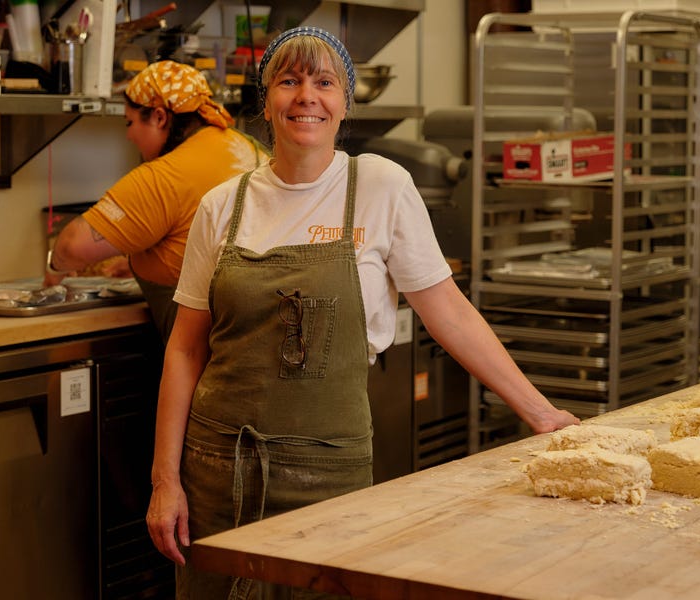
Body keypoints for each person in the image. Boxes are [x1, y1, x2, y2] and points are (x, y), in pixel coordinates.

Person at [143, 26, 580, 597]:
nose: (306, 96)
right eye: (289, 81)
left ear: (345, 103)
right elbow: (185, 347)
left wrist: (540, 411)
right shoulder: (222, 205)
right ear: (266, 101)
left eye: (324, 82)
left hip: (329, 469)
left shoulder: (379, 185)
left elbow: (447, 309)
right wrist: (164, 481)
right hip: (216, 467)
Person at [45, 60, 267, 341]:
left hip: (210, 355)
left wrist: (53, 271)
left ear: (160, 117)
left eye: (130, 122)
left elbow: (72, 246)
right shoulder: (247, 146)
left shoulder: (165, 175)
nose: (128, 135)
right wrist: (142, 260)